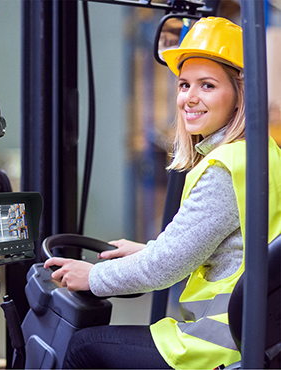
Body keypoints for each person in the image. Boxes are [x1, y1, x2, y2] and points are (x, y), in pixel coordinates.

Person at [44, 17, 281, 369]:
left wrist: (91, 277)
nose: (190, 97)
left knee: (81, 347)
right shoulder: (263, 152)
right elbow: (231, 248)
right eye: (184, 85)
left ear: (239, 95)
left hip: (217, 348)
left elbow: (163, 270)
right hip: (253, 339)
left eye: (208, 85)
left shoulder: (223, 169)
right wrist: (147, 250)